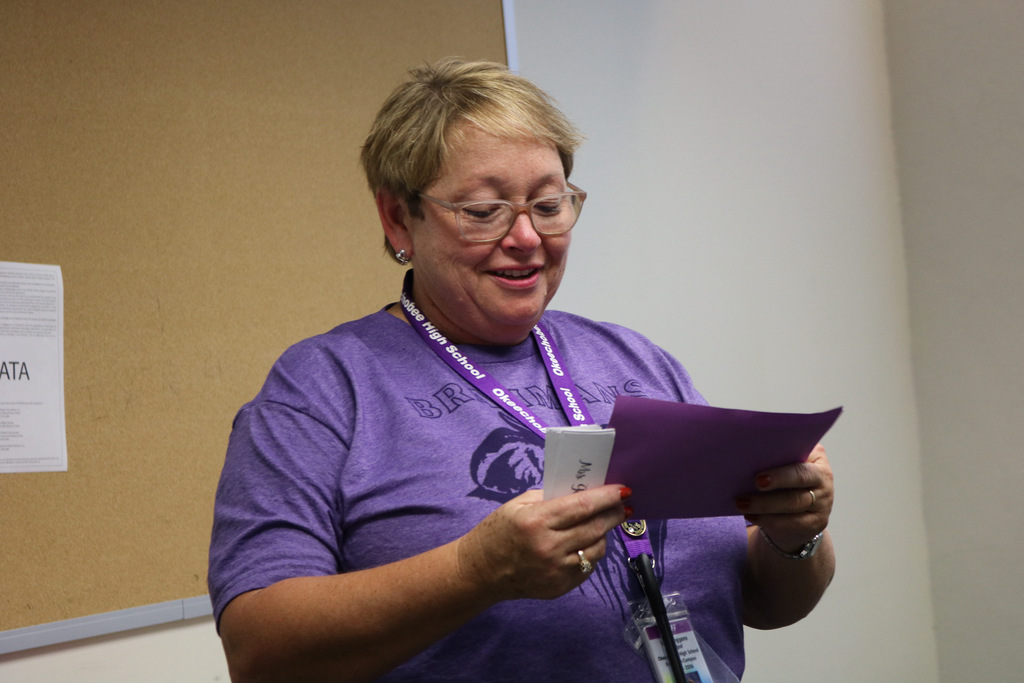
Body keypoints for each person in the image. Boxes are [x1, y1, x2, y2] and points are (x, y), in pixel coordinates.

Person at [208, 58, 836, 683]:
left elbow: (759, 599)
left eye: (548, 203)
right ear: (399, 218)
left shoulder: (637, 361)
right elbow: (260, 652)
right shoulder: (322, 389)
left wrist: (795, 535)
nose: (528, 237)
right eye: (484, 211)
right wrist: (475, 573)